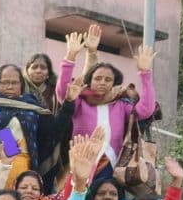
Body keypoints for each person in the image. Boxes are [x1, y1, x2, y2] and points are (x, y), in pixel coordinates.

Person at [55, 36, 157, 178]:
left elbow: (145, 111)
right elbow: (63, 94)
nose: (102, 82)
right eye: (97, 78)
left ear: (114, 84)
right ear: (89, 82)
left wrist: (145, 74)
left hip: (111, 165)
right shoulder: (80, 102)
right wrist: (70, 57)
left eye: (108, 79)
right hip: (81, 162)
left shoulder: (121, 104)